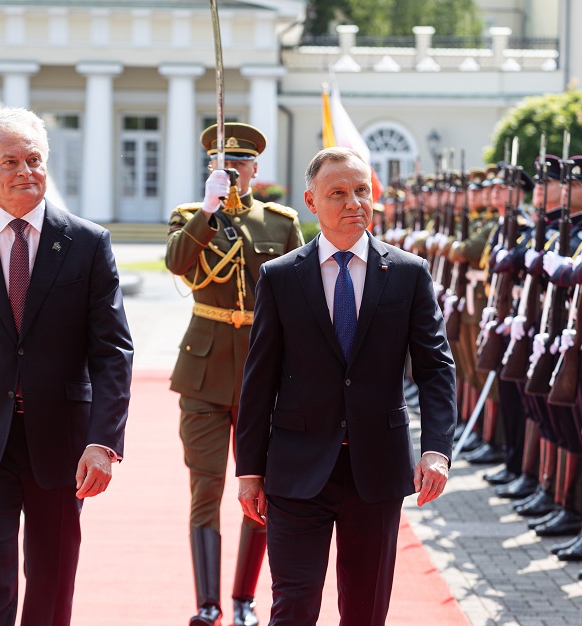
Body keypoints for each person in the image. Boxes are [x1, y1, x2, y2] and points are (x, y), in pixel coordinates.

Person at [0, 107, 134, 626]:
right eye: (9, 161)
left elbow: (113, 352)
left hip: (63, 443)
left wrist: (103, 443)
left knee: (53, 580)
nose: (24, 171)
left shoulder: (86, 243)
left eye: (34, 159)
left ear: (47, 163)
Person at [235, 147, 456, 625]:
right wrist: (249, 469)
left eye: (362, 190)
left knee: (365, 611)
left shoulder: (408, 273)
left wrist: (436, 449)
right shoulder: (280, 277)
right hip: (296, 470)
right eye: (339, 193)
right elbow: (259, 380)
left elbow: (436, 369)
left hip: (375, 470)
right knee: (293, 607)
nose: (355, 201)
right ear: (312, 202)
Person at [165, 122, 303, 626]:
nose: (230, 172)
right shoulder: (189, 216)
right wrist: (207, 209)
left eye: (239, 165)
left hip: (261, 375)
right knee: (205, 488)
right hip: (202, 375)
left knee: (259, 487)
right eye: (220, 166)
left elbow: (298, 297)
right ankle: (208, 604)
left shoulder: (279, 223)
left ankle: (244, 599)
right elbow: (178, 264)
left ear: (254, 170)